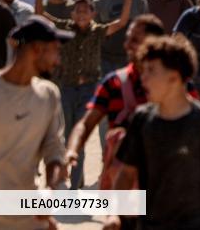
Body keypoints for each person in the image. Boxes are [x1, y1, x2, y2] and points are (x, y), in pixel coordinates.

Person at [107, 36, 200, 230]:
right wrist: (114, 215)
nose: (143, 78)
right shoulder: (142, 120)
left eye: (151, 70)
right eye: (143, 70)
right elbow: (126, 174)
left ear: (174, 76)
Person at [37, 0, 131, 189]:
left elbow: (121, 23)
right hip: (67, 89)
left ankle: (75, 186)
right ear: (72, 14)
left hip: (88, 90)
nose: (81, 15)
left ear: (92, 14)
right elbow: (40, 15)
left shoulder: (98, 31)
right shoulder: (64, 29)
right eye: (77, 11)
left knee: (80, 137)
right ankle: (65, 179)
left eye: (85, 11)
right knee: (65, 136)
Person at [0, 17, 71, 229]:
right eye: (55, 50)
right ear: (37, 49)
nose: (58, 60)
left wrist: (49, 192)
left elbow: (54, 150)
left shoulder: (49, 95)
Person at [65, 14, 166, 191]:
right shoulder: (113, 84)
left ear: (154, 43)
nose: (126, 45)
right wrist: (72, 150)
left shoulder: (175, 83)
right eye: (127, 39)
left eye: (134, 40)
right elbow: (86, 124)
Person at [95, 0, 149, 76]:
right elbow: (95, 33)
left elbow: (145, 31)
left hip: (131, 59)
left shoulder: (139, 1)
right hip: (105, 60)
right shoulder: (100, 2)